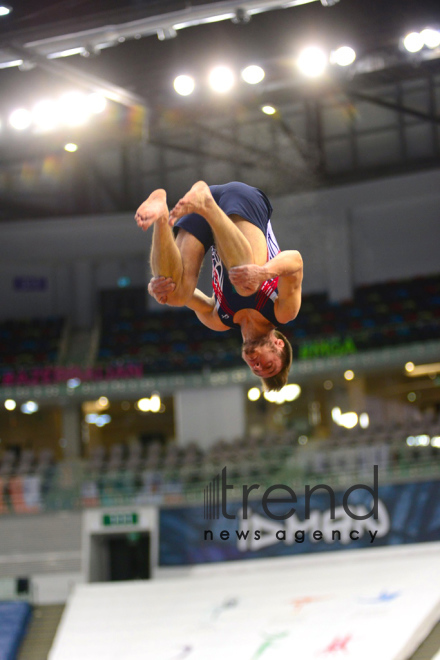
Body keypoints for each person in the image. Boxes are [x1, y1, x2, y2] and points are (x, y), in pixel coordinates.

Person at [134, 181, 303, 391]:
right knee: (248, 284)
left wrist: (160, 286)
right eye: (268, 365)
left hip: (205, 212)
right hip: (242, 201)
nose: (257, 365)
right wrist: (264, 272)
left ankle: (160, 215)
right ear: (279, 345)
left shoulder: (219, 320)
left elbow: (186, 297)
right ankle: (207, 204)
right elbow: (295, 261)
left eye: (256, 370)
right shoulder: (282, 311)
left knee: (175, 295)